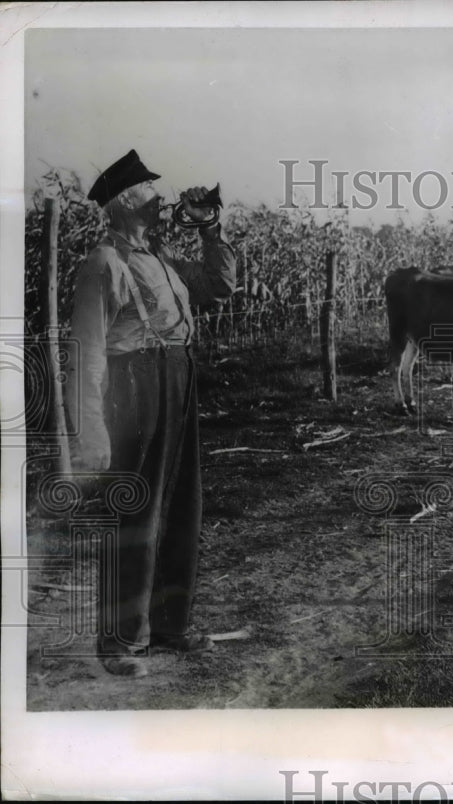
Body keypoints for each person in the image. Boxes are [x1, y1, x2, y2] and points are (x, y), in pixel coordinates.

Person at [66, 149, 236, 677]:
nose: (164, 203)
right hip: (133, 387)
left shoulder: (157, 259)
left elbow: (220, 286)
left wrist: (211, 230)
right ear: (126, 204)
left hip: (178, 379)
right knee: (134, 511)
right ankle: (119, 644)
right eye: (152, 196)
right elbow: (87, 353)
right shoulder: (104, 264)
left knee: (181, 504)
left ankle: (167, 627)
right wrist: (91, 431)